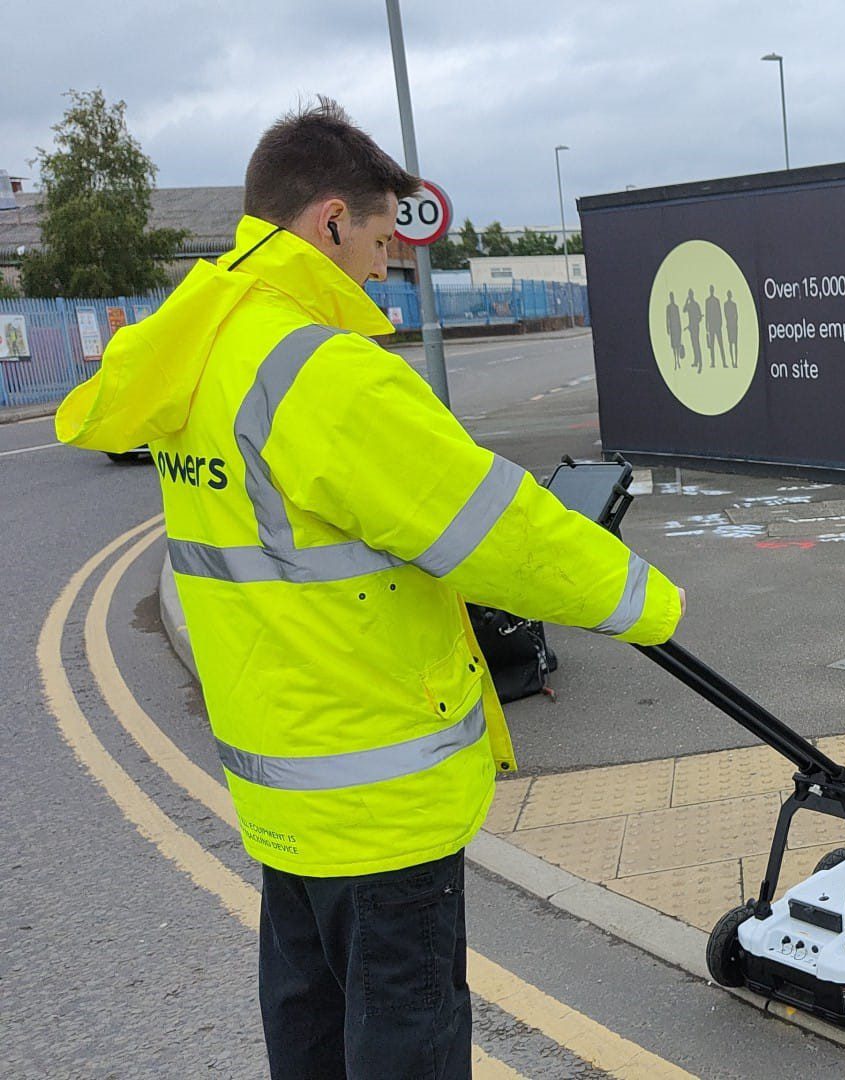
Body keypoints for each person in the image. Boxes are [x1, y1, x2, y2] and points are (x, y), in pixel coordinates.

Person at [54, 99, 684, 1079]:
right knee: (405, 1023)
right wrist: (648, 600)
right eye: (384, 233)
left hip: (279, 774)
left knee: (307, 1008)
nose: (389, 257)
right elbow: (495, 530)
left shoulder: (200, 353)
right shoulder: (324, 374)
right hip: (377, 781)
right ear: (330, 220)